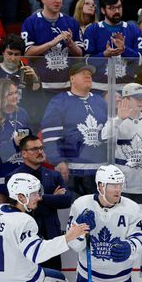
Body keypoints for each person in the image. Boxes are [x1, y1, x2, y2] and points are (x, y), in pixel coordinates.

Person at [0, 173, 89, 282]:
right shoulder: (24, 220)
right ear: (21, 197)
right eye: (33, 194)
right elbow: (37, 254)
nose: (38, 197)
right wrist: (68, 237)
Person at [67, 165, 142, 282]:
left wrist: (129, 248)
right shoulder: (81, 205)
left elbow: (139, 238)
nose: (118, 190)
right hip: (88, 277)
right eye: (113, 185)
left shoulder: (132, 208)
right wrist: (80, 231)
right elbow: (75, 245)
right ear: (101, 186)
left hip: (121, 279)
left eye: (120, 185)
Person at [6, 135, 73, 271]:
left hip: (51, 236)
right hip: (26, 237)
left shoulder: (54, 175)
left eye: (41, 148)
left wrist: (40, 198)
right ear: (24, 153)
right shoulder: (13, 178)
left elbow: (66, 200)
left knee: (55, 281)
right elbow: (18, 207)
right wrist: (52, 198)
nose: (40, 152)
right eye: (35, 149)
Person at [40, 62, 108, 195]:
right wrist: (57, 160)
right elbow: (50, 135)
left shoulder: (100, 101)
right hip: (73, 171)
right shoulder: (59, 101)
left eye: (89, 74)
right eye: (83, 74)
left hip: (100, 169)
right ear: (72, 78)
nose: (88, 76)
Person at [22, 0, 84, 92]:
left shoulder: (72, 22)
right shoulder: (31, 22)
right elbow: (27, 53)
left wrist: (70, 44)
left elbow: (80, 55)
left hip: (67, 87)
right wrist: (51, 43)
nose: (57, 1)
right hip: (40, 87)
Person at [83, 0, 142, 92]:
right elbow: (86, 62)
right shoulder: (92, 29)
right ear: (103, 10)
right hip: (98, 88)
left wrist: (124, 50)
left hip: (127, 89)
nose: (117, 11)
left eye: (119, 7)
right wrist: (104, 54)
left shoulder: (133, 29)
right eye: (112, 8)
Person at [0, 78, 31, 200]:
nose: (15, 96)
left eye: (16, 92)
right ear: (0, 96)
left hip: (21, 172)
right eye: (10, 94)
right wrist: (13, 143)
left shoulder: (23, 113)